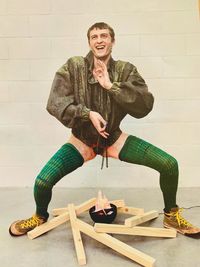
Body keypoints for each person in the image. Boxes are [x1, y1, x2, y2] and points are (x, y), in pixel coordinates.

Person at [9, 22, 199, 236]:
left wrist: (111, 86)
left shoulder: (126, 70)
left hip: (112, 139)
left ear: (112, 41)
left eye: (104, 36)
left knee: (169, 164)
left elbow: (145, 104)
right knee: (42, 182)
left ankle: (171, 217)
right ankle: (39, 217)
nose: (99, 40)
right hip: (81, 141)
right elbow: (55, 102)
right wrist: (86, 113)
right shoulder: (74, 66)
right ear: (89, 42)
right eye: (94, 36)